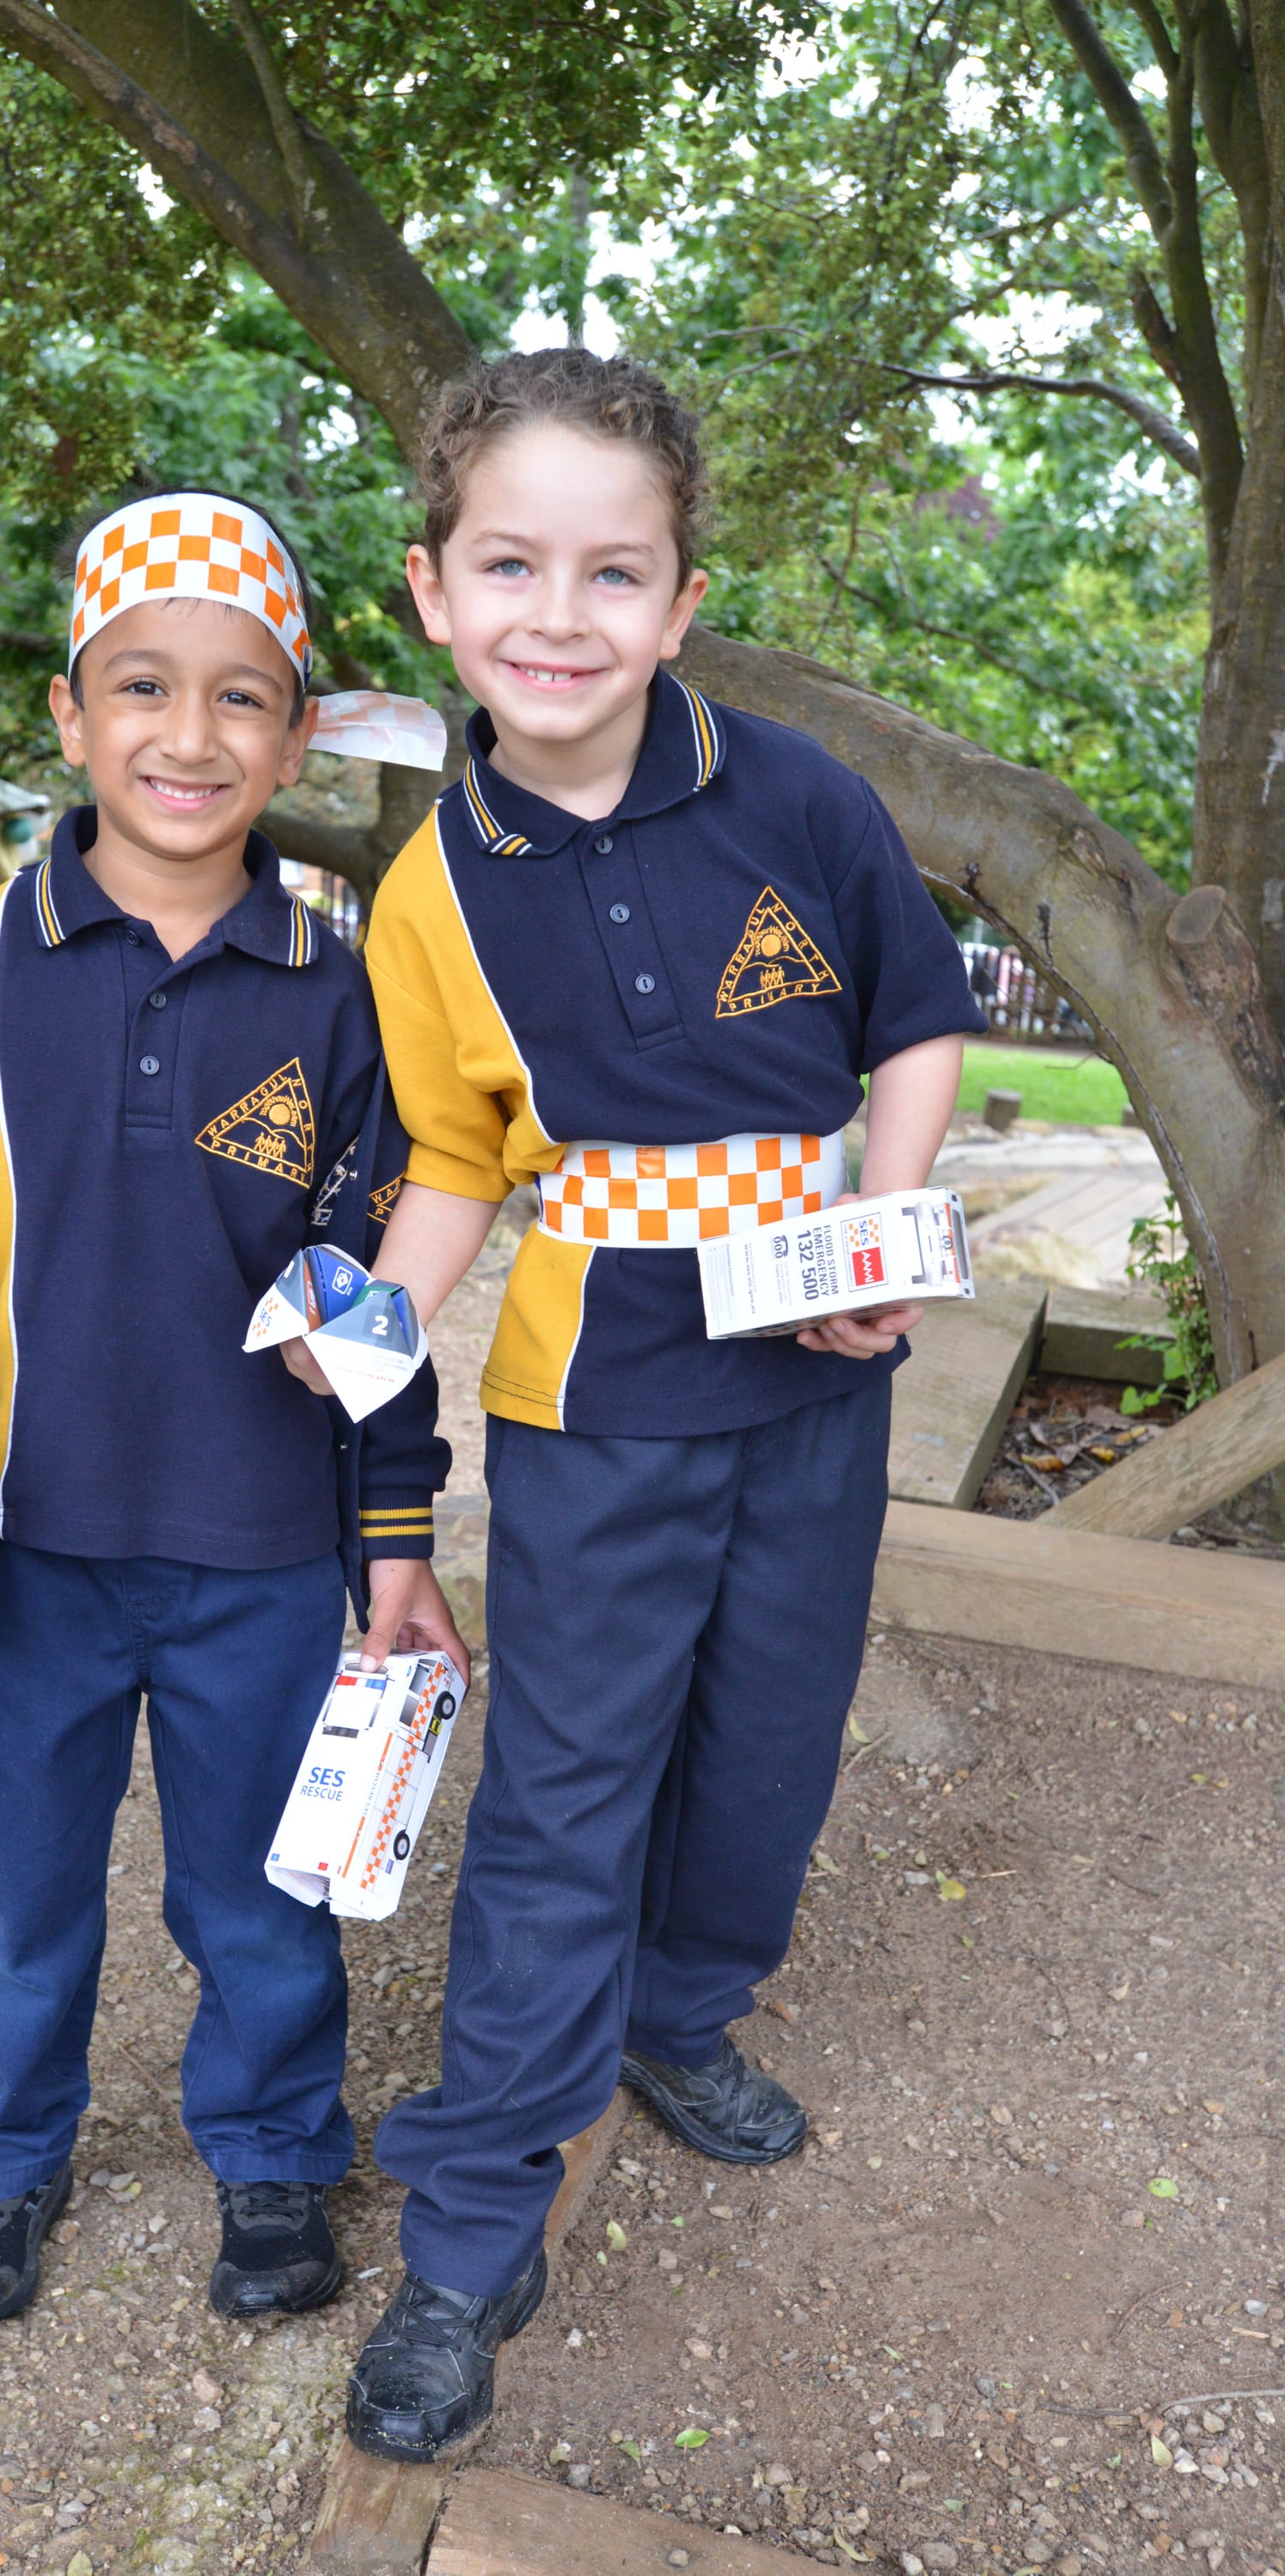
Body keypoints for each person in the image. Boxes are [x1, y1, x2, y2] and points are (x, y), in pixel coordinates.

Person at [327, 350, 986, 2464]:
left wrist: (873, 1242)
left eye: (612, 572)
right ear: (432, 592)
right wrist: (355, 1338)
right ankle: (473, 2210)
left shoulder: (796, 799)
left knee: (771, 1720)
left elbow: (912, 1032)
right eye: (509, 565)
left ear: (681, 600)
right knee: (563, 1776)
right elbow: (448, 1159)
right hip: (592, 1387)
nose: (558, 613)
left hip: (814, 1370)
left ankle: (684, 2011)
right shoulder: (428, 890)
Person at [0, 488, 465, 2332]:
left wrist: (394, 1537)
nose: (192, 736)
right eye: (146, 689)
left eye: (244, 697)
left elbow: (375, 1309)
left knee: (261, 1900)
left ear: (297, 728)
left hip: (263, 1552)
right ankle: (1, 2157)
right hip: (25, 1555)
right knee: (15, 1896)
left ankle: (271, 2153)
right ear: (70, 710)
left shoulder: (341, 1001)